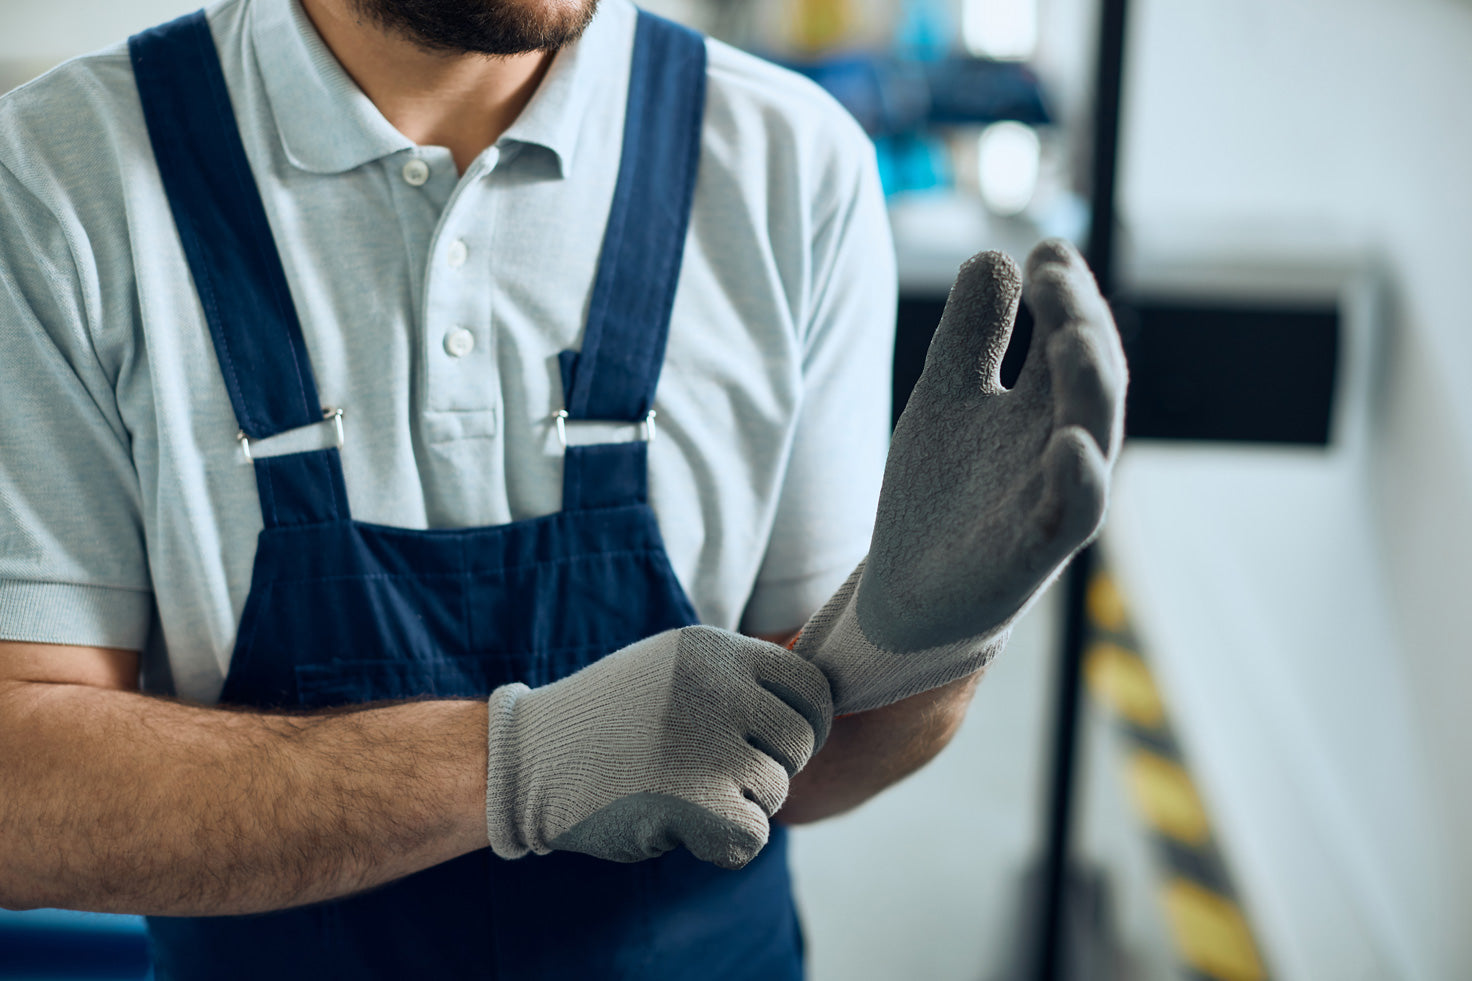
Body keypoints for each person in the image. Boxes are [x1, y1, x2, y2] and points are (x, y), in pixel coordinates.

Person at [0, 0, 1126, 976]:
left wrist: (920, 647)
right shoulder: (61, 180)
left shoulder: (789, 165)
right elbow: (22, 794)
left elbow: (805, 769)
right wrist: (522, 762)